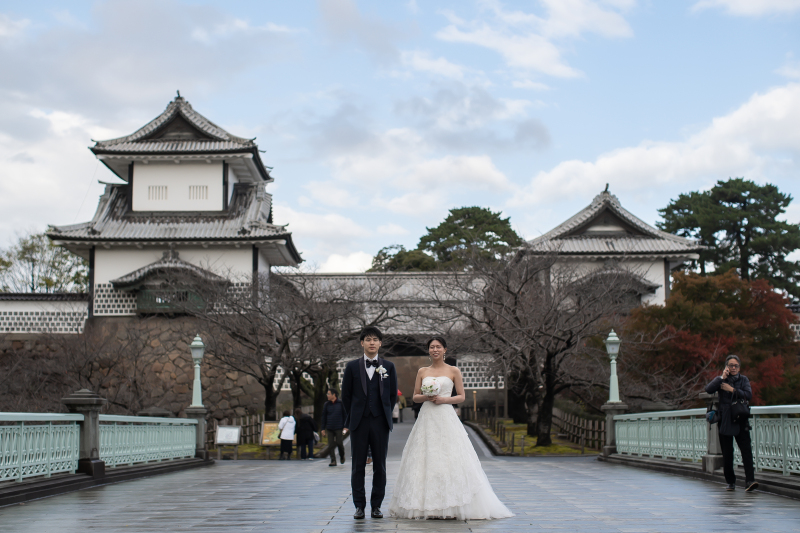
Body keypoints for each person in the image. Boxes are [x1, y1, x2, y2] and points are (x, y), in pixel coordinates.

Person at [388, 336, 514, 520]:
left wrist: (444, 399)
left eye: (438, 347)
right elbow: (415, 396)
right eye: (431, 347)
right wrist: (427, 396)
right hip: (427, 415)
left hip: (446, 415)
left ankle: (454, 504)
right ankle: (426, 505)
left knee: (451, 455)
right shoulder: (422, 371)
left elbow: (461, 396)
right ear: (428, 350)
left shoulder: (453, 370)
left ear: (445, 349)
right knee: (426, 456)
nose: (435, 350)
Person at [341, 326, 398, 520]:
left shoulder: (388, 367)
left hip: (381, 422)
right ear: (362, 343)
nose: (372, 342)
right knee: (357, 465)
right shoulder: (351, 367)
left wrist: (385, 414)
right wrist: (354, 416)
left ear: (380, 343)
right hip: (359, 423)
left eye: (375, 339)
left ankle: (376, 506)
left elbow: (392, 395)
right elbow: (346, 396)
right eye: (368, 339)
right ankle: (359, 506)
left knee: (380, 466)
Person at [705, 354, 758, 492]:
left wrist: (732, 390)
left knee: (746, 451)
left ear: (739, 367)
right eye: (731, 365)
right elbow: (708, 389)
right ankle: (730, 482)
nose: (733, 368)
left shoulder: (744, 380)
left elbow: (749, 395)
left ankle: (750, 481)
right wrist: (721, 378)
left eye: (736, 366)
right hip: (725, 419)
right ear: (726, 367)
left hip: (740, 418)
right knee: (727, 453)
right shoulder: (722, 380)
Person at [321, 388, 347, 467]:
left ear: (334, 395)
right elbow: (324, 417)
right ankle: (333, 460)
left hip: (339, 427)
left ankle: (342, 456)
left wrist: (345, 426)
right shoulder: (326, 404)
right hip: (330, 427)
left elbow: (345, 415)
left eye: (329, 394)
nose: (327, 395)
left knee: (339, 443)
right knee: (330, 445)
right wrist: (323, 429)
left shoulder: (341, 403)